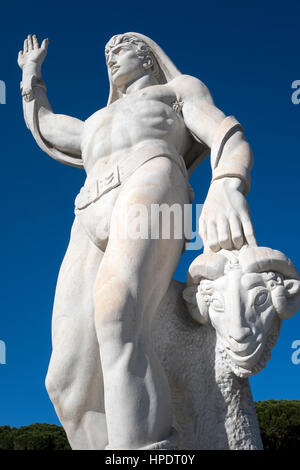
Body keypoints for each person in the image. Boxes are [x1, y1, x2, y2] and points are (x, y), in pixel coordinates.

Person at [18, 32, 256, 450]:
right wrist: (30, 76)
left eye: (119, 49)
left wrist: (227, 183)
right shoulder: (94, 121)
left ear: (147, 56)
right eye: (105, 53)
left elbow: (224, 133)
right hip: (89, 207)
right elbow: (48, 127)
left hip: (153, 179)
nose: (109, 58)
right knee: (66, 381)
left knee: (116, 310)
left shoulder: (177, 91)